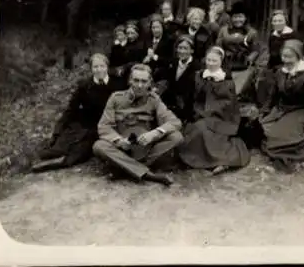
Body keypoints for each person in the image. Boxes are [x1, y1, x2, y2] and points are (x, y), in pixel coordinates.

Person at [93, 64, 183, 186]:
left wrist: (154, 134)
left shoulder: (154, 100)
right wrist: (119, 141)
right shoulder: (116, 98)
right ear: (130, 80)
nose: (139, 85)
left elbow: (175, 122)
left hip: (146, 147)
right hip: (123, 148)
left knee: (177, 137)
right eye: (136, 80)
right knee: (99, 146)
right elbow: (104, 126)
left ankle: (123, 168)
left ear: (149, 83)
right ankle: (147, 174)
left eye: (144, 81)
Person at [32, 53, 122, 172]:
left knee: (83, 150)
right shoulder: (84, 85)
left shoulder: (117, 84)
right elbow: (71, 109)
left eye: (102, 66)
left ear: (107, 67)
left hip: (104, 126)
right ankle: (47, 158)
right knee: (60, 145)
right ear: (91, 69)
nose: (99, 70)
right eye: (95, 67)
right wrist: (57, 131)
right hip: (84, 123)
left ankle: (59, 163)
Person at [177, 46, 250, 175]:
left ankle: (221, 161)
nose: (210, 63)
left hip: (221, 116)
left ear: (221, 61)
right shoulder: (199, 76)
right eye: (209, 60)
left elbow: (229, 103)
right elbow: (195, 97)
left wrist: (211, 112)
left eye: (214, 61)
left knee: (205, 131)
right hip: (200, 113)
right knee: (195, 132)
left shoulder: (226, 81)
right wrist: (197, 111)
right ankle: (210, 161)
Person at [259, 39, 304, 173]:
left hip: (299, 111)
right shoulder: (280, 72)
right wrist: (265, 110)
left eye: (289, 57)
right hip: (281, 109)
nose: (285, 60)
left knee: (281, 140)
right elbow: (273, 95)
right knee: (260, 130)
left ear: (298, 56)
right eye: (284, 56)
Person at [157, 35, 202, 124]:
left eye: (185, 48)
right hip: (171, 101)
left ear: (192, 51)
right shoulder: (173, 62)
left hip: (186, 105)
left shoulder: (197, 67)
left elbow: (195, 93)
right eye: (180, 48)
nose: (182, 51)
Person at [216, 1, 260, 73]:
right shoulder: (223, 30)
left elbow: (256, 50)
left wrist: (250, 59)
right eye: (235, 17)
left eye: (240, 17)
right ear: (231, 18)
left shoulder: (252, 32)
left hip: (244, 65)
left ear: (245, 18)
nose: (237, 20)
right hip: (226, 63)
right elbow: (218, 47)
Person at [142, 13, 175, 78]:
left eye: (158, 27)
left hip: (161, 73)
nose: (155, 30)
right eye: (153, 27)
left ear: (162, 27)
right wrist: (145, 58)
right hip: (146, 71)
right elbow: (141, 54)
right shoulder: (147, 39)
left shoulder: (169, 41)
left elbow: (170, 60)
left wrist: (154, 57)